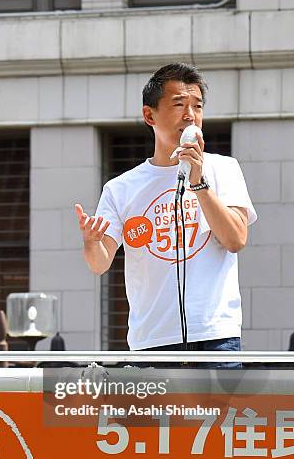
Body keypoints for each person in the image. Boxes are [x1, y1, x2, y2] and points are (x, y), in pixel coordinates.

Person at [76, 63, 257, 367]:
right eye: (178, 104)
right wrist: (91, 241)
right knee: (154, 417)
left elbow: (236, 239)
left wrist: (198, 180)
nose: (190, 115)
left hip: (214, 336)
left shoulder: (224, 169)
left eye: (197, 106)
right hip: (152, 340)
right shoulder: (121, 188)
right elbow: (99, 263)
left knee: (217, 417)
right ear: (150, 115)